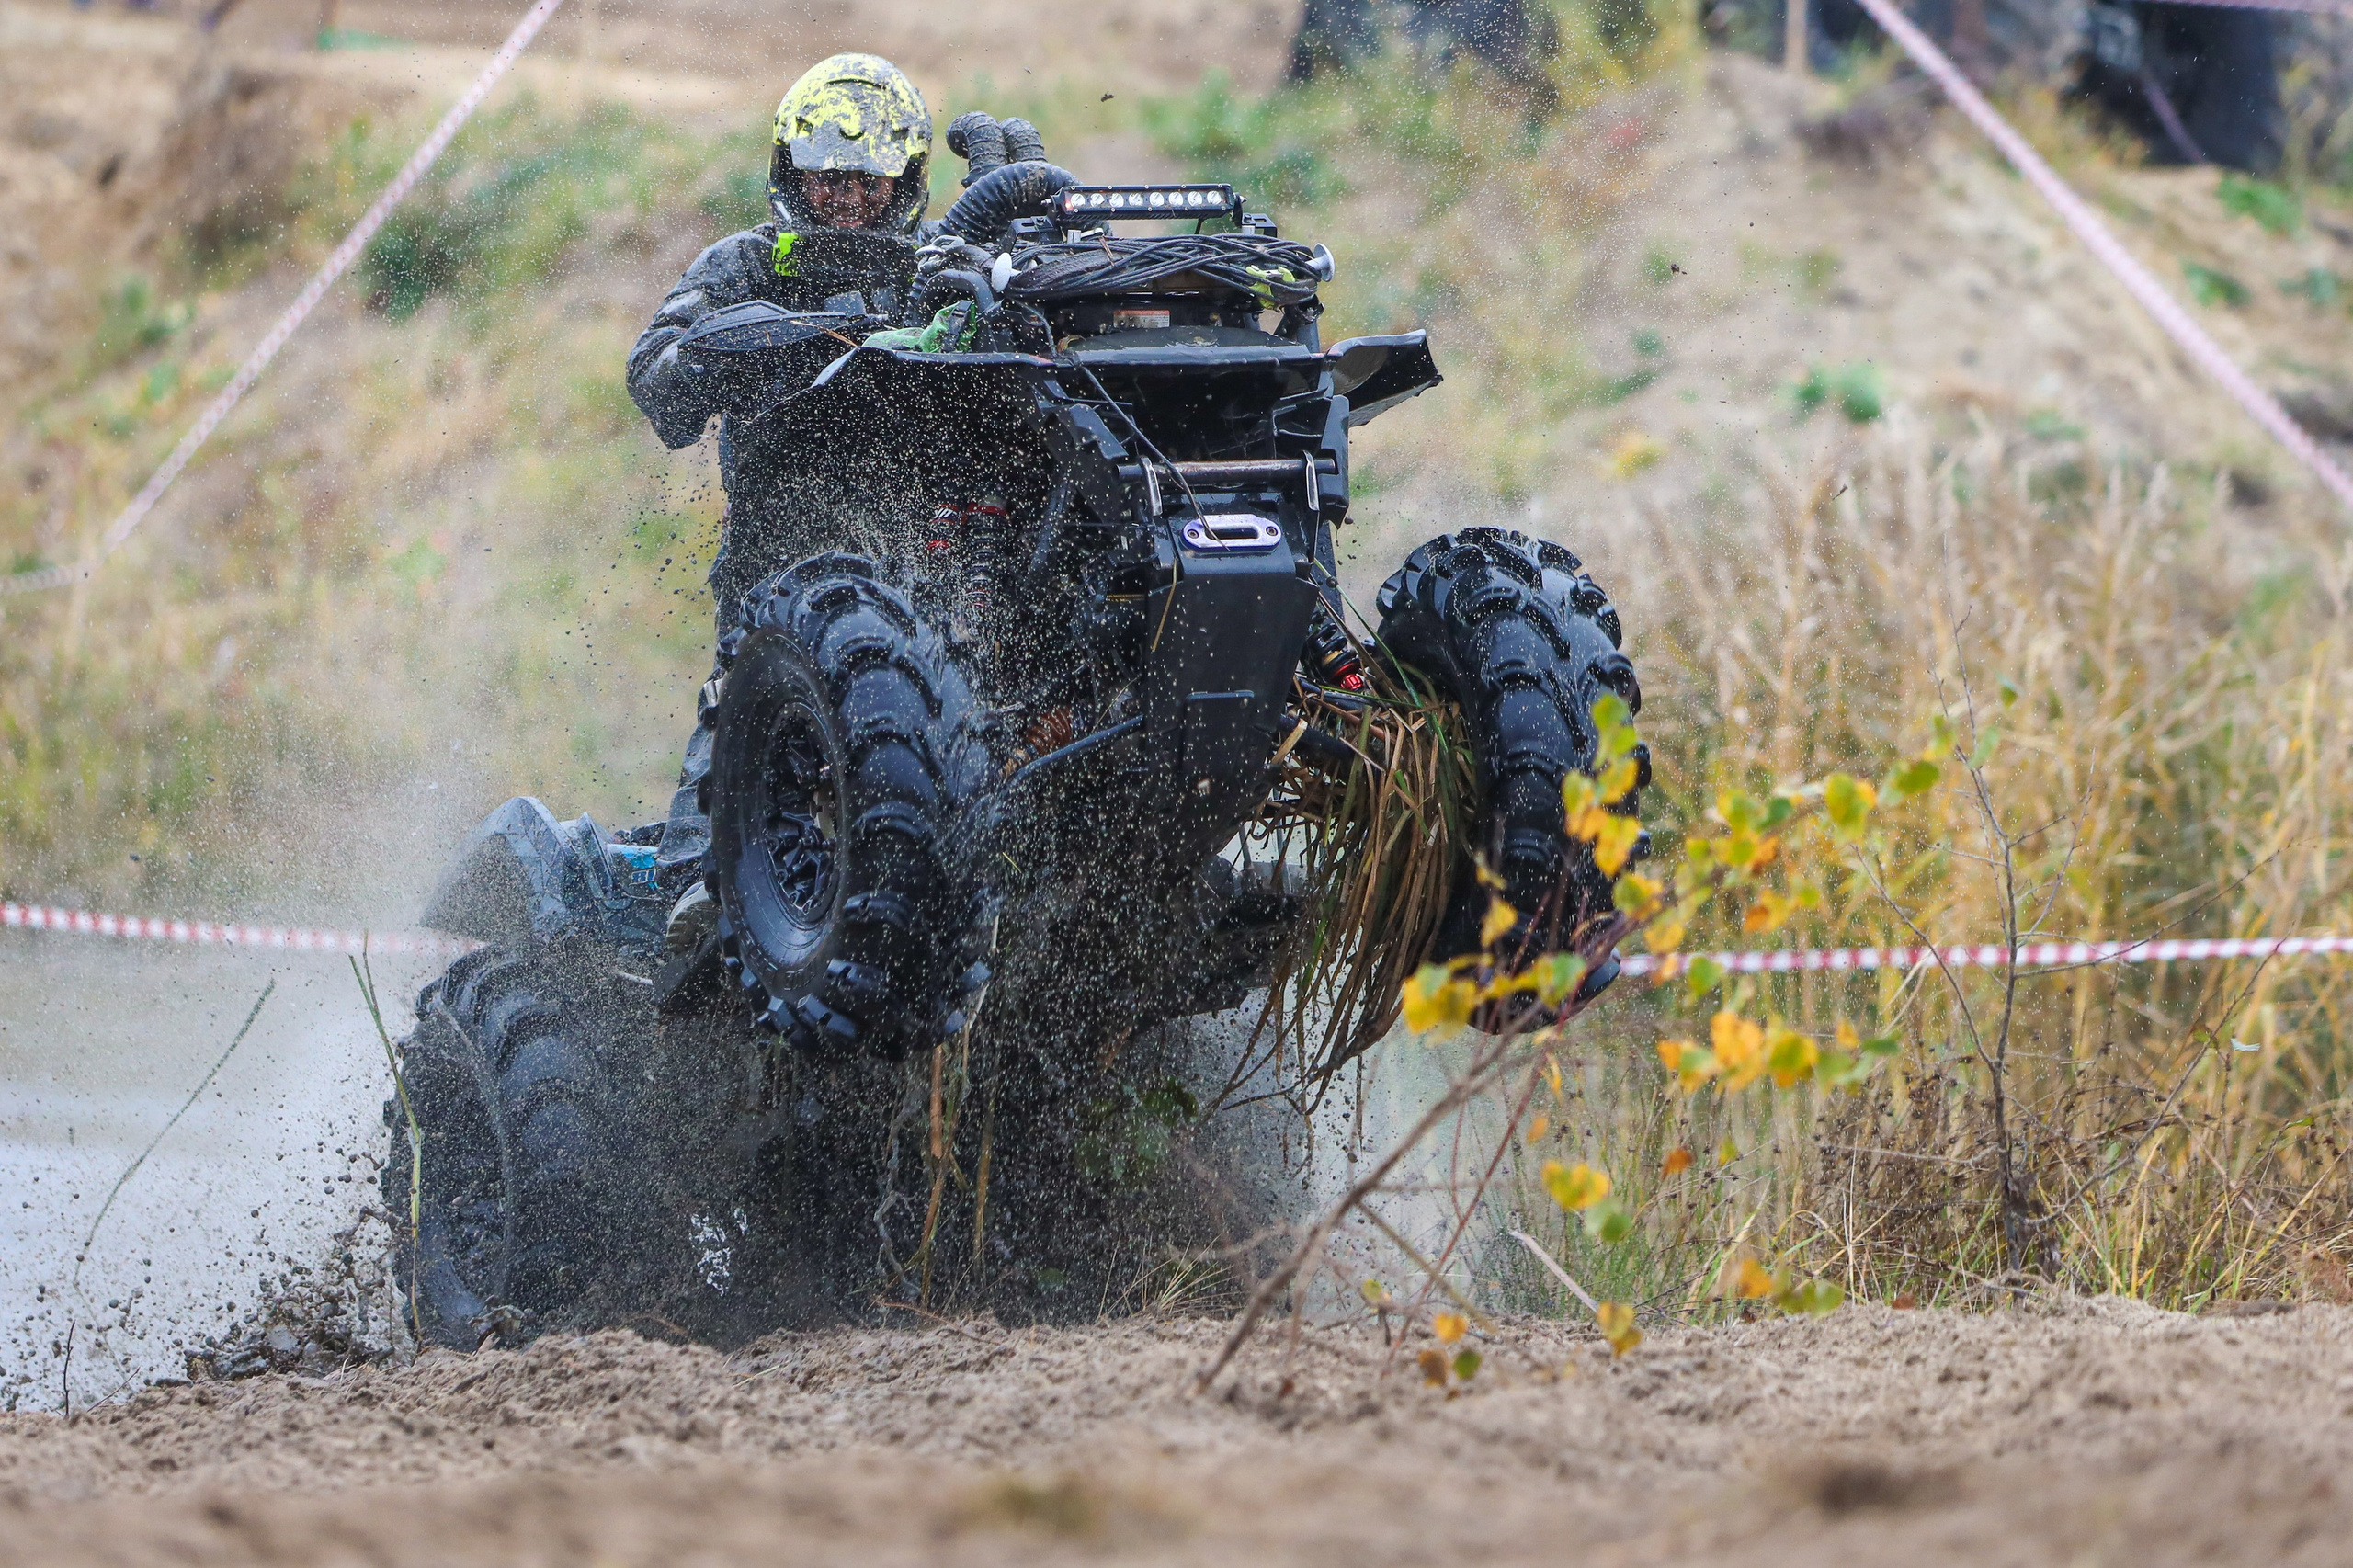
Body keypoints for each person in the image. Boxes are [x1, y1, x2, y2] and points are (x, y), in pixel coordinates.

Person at [627, 53, 938, 887]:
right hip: (779, 587)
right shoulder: (747, 266)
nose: (846, 200)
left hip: (935, 579)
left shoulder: (938, 271)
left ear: (903, 184)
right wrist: (750, 344)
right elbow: (656, 381)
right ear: (790, 175)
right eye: (828, 178)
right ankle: (699, 887)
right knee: (706, 869)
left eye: (868, 184)